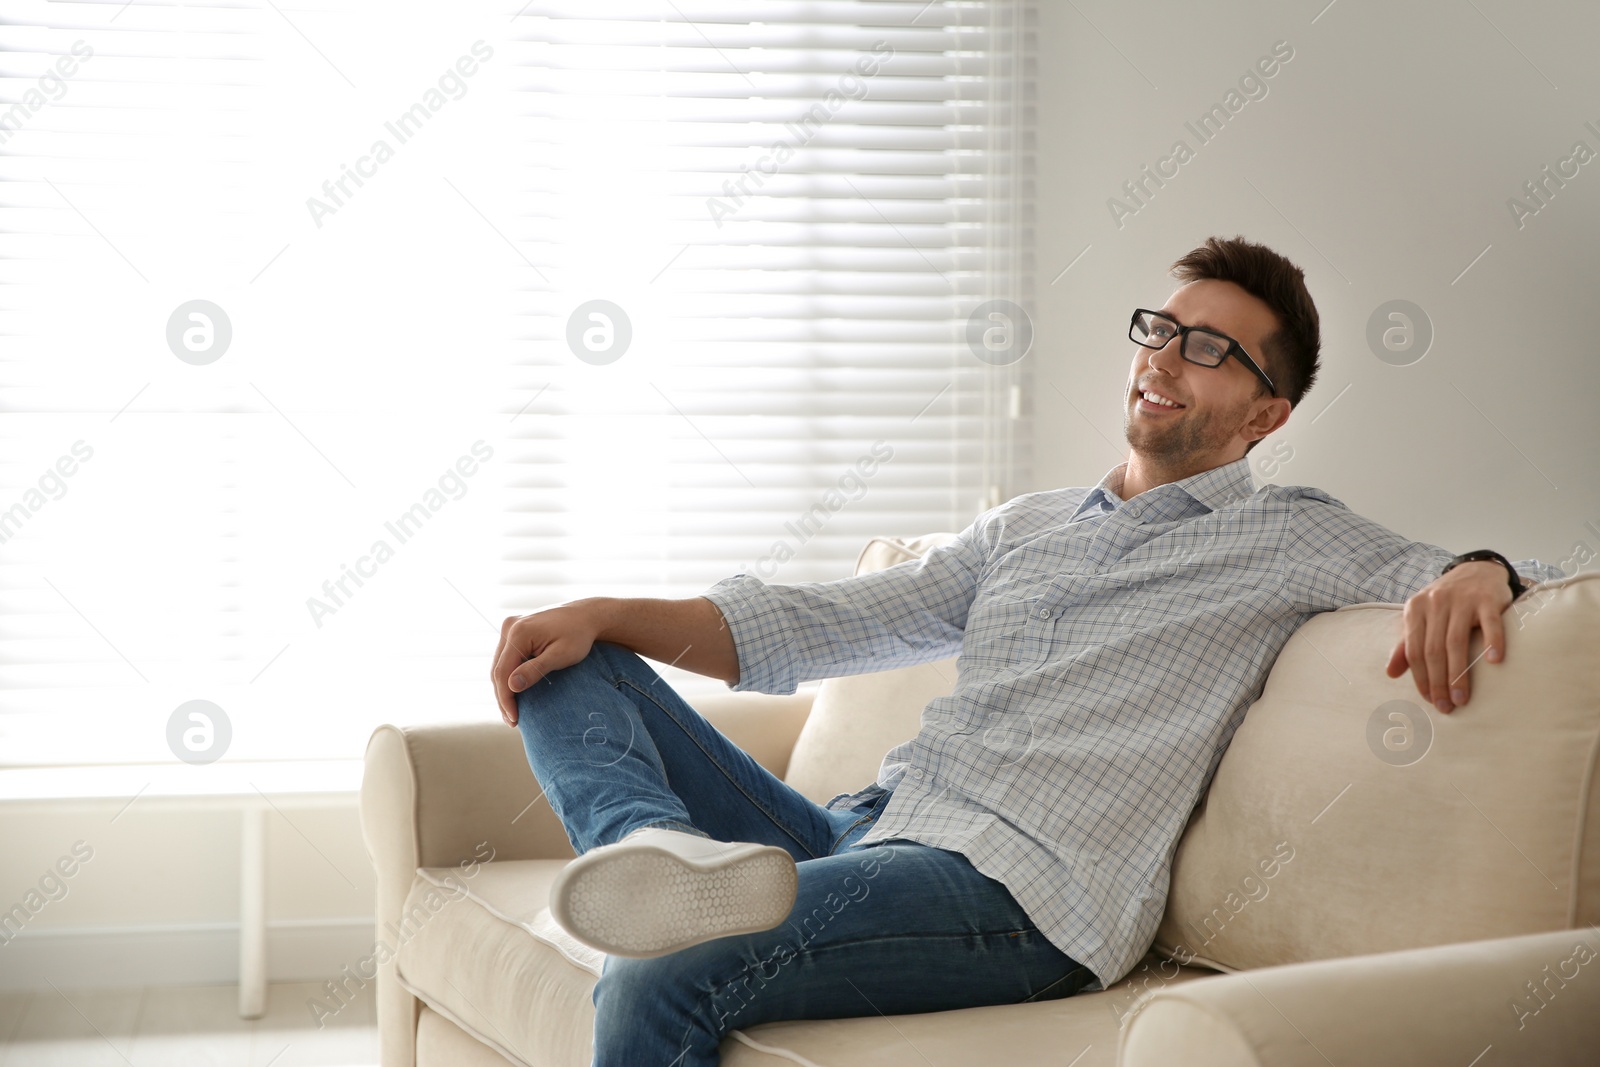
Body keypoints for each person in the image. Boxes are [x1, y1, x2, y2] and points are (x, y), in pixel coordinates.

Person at [489, 235, 1564, 1066]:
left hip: (1019, 893)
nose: (1163, 358)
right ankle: (657, 848)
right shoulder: (1028, 526)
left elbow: (1520, 574)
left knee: (658, 974)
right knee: (564, 659)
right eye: (1159, 327)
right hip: (872, 830)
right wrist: (604, 607)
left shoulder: (1286, 533)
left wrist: (1478, 565)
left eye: (1208, 348)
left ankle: (673, 893)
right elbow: (830, 620)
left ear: (1265, 414)